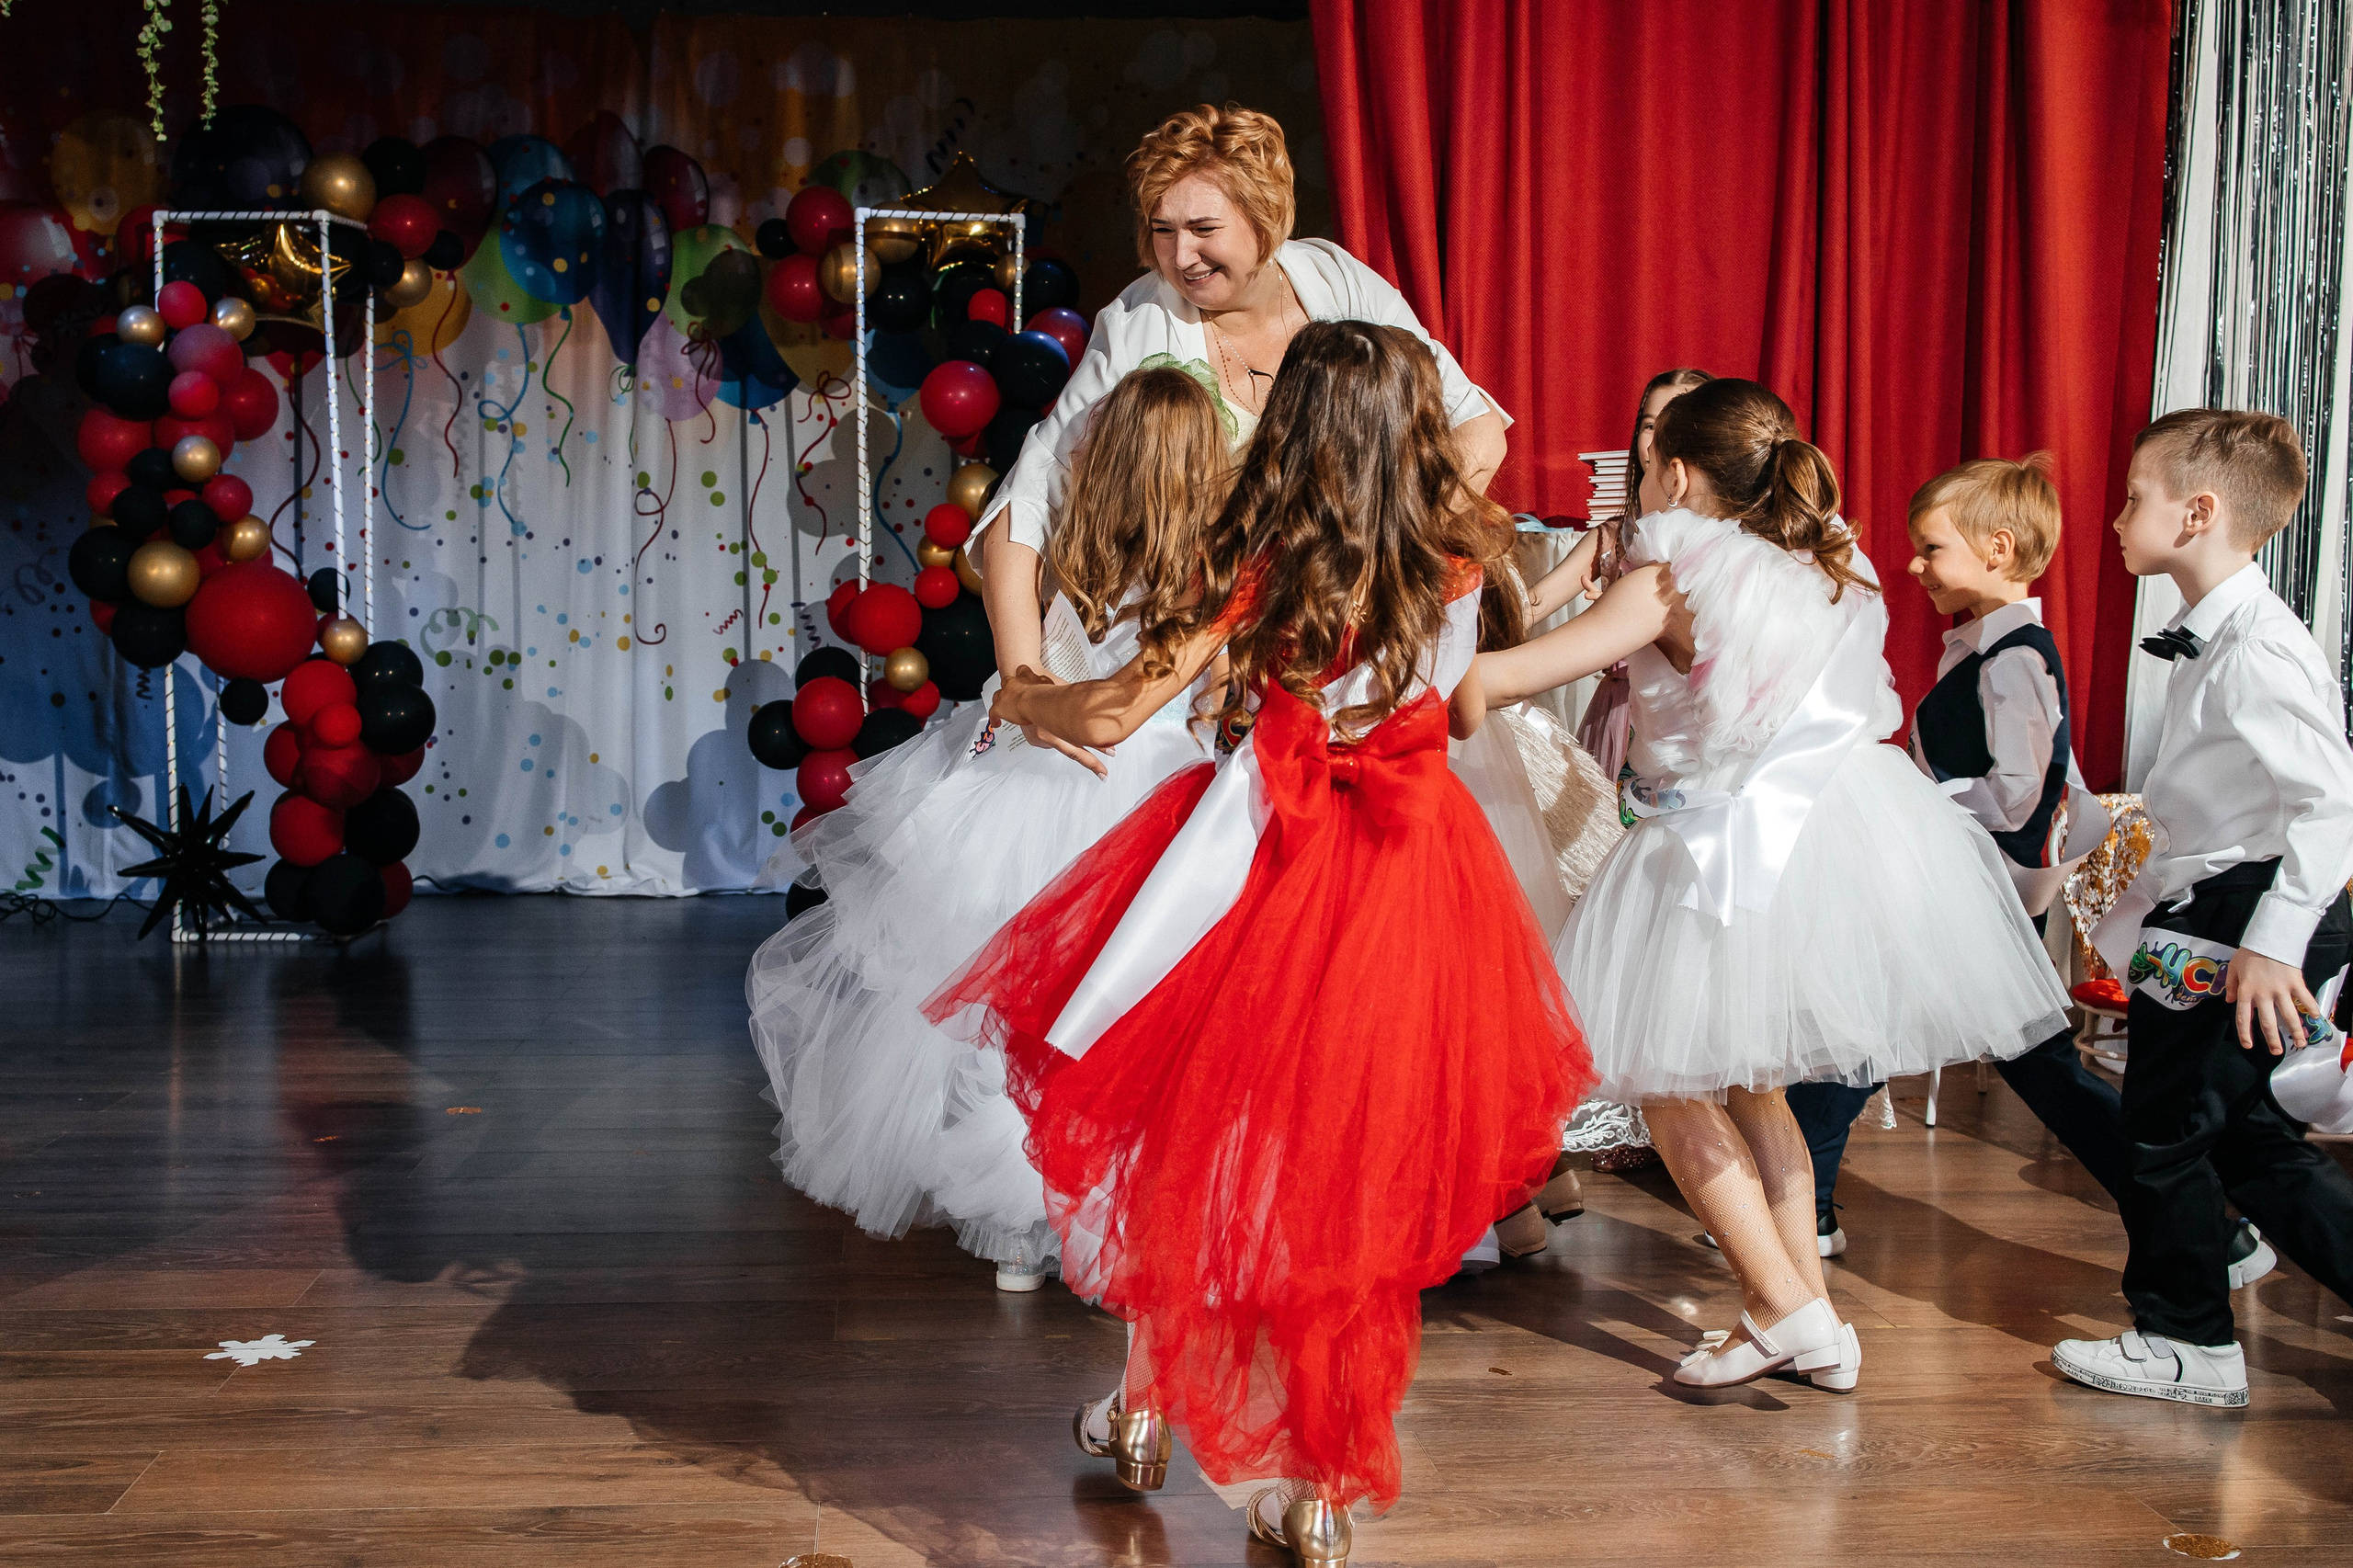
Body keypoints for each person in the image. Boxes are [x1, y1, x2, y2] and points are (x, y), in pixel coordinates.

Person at [926, 322, 1589, 1565]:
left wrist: (1020, 693)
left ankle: (1142, 1408)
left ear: (1292, 425)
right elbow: (1452, 703)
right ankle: (1318, 1486)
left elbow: (1120, 707)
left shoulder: (1263, 565)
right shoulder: (1466, 553)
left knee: (1197, 1137)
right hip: (1415, 869)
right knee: (1348, 1179)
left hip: (1270, 863)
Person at [1458, 378, 2070, 1393]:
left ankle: (1782, 1304)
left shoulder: (1667, 578)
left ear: (1678, 475)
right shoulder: (1833, 566)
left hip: (1720, 840)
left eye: (1649, 467)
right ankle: (1811, 1315)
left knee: (1668, 1087)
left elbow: (1506, 680)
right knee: (1758, 1083)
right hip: (1837, 829)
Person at [745, 369, 1234, 1290]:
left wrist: (1039, 703)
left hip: (1032, 785)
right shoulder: (1213, 570)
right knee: (1129, 1017)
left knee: (1007, 1012)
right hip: (1159, 793)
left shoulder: (1040, 534)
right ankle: (1111, 1223)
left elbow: (1018, 685)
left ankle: (1017, 1230)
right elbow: (1197, 705)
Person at [1781, 457, 2274, 1287]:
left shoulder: (2014, 658)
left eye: (1930, 549)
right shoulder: (1986, 646)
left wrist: (1904, 790)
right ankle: (1807, 1207)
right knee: (1881, 1043)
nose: (1913, 566)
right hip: (1956, 887)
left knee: (1918, 1047)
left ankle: (2211, 1233)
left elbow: (2019, 795)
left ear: (1998, 550)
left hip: (1975, 892)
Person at [975, 103, 1508, 697]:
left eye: (1204, 230)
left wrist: (1386, 560)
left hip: (1340, 657)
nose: (1180, 257)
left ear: (1266, 218)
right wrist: (1022, 675)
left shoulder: (1338, 281)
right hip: (1193, 666)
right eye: (1163, 230)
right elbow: (1029, 496)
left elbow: (1476, 427)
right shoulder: (1139, 322)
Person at [2054, 409, 2353, 1407]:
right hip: (2221, 904)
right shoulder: (2216, 638)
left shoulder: (2256, 648)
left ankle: (2188, 1341)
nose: (2114, 515)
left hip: (2250, 912)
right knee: (2242, 1139)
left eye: (2133, 495)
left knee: (2165, 1125)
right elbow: (2204, 810)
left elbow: (2333, 802)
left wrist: (2273, 941)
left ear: (2196, 512)